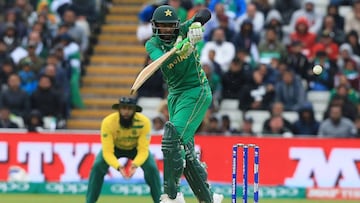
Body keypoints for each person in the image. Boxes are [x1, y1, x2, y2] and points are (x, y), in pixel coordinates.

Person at [145, 5, 223, 203]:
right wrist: (180, 50)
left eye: (170, 26)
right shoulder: (152, 44)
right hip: (175, 95)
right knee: (185, 153)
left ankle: (172, 194)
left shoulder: (183, 30)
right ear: (155, 26)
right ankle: (209, 198)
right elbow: (162, 61)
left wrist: (196, 24)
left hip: (196, 90)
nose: (167, 30)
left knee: (172, 139)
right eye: (162, 26)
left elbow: (205, 13)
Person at [86, 97, 161, 203]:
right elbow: (107, 152)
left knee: (152, 169)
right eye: (123, 108)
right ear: (119, 109)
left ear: (135, 110)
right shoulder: (108, 122)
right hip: (115, 148)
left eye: (130, 108)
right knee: (97, 166)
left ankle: (159, 201)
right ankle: (90, 201)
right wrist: (119, 166)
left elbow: (143, 150)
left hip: (135, 149)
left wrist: (135, 165)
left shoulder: (144, 122)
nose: (126, 111)